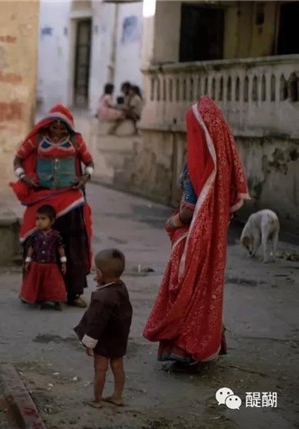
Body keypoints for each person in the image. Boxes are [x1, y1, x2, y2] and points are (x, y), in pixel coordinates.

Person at [142, 96, 250, 373]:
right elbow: (230, 203)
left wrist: (171, 221)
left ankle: (184, 348)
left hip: (190, 237)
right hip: (213, 238)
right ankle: (207, 344)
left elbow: (190, 210)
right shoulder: (223, 162)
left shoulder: (196, 165)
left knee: (185, 288)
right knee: (205, 286)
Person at [11, 104, 94, 308]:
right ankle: (35, 292)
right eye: (54, 126)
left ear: (68, 127)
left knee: (72, 245)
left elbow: (90, 163)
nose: (58, 131)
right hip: (43, 197)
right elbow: (18, 160)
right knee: (34, 239)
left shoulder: (77, 140)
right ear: (48, 125)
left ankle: (72, 293)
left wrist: (85, 178)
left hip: (70, 200)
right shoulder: (37, 139)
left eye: (62, 127)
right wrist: (25, 178)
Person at [74, 248, 132, 408]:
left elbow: (96, 323)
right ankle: (117, 397)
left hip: (104, 338)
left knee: (100, 369)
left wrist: (89, 343)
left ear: (100, 274)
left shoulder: (102, 297)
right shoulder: (121, 287)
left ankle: (97, 400)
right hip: (119, 335)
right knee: (118, 366)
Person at [20, 204, 67, 310]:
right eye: (37, 219)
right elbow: (31, 248)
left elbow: (60, 249)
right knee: (38, 284)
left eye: (43, 219)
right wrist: (28, 261)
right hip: (37, 264)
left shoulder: (56, 235)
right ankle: (38, 300)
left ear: (52, 221)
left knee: (54, 284)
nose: (39, 222)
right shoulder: (35, 235)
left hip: (51, 265)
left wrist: (63, 262)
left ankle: (57, 300)